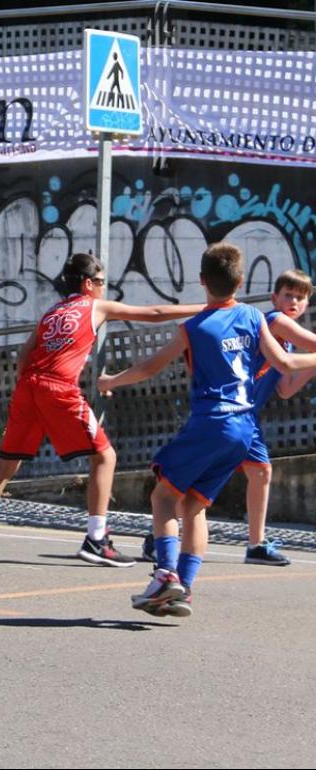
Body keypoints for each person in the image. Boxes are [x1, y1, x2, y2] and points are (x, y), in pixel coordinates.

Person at [0, 252, 203, 565]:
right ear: (88, 283)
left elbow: (24, 354)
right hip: (58, 388)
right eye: (102, 282)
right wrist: (205, 307)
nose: (105, 288)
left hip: (28, 386)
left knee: (7, 462)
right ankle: (96, 538)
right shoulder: (94, 305)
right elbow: (155, 312)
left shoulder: (52, 312)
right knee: (105, 456)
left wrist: (31, 392)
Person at [98, 243, 316, 617]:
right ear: (242, 281)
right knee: (194, 505)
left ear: (202, 281)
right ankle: (182, 588)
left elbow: (151, 367)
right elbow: (283, 361)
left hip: (212, 421)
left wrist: (111, 380)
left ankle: (166, 575)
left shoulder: (194, 326)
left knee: (164, 498)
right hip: (244, 427)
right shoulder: (253, 316)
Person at [140, 269, 316, 568]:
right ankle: (156, 537)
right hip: (228, 415)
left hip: (245, 420)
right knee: (195, 489)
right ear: (274, 298)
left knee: (259, 474)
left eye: (301, 297)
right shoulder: (273, 321)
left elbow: (285, 389)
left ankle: (256, 545)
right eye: (288, 294)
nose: (294, 301)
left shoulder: (283, 342)